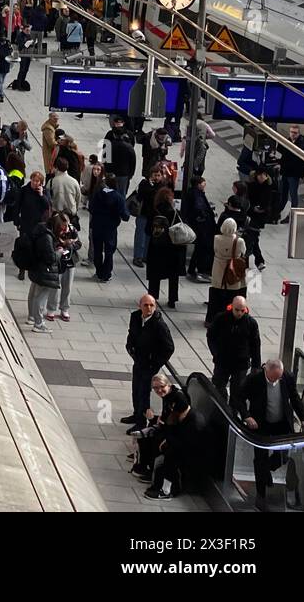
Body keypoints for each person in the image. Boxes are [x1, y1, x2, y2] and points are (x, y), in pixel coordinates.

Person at [241, 360, 304, 511]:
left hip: (281, 423)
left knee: (282, 455)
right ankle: (261, 495)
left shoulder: (287, 377)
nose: (276, 381)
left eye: (279, 378)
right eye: (273, 378)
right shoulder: (254, 379)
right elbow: (238, 398)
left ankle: (265, 470)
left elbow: (295, 398)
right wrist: (246, 416)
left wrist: (303, 418)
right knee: (260, 458)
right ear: (266, 371)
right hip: (261, 423)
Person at [124, 294, 175, 432]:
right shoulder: (135, 317)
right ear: (140, 306)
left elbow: (169, 347)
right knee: (136, 388)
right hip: (138, 360)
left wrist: (155, 363)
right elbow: (132, 334)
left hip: (149, 364)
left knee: (144, 392)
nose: (149, 308)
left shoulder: (159, 325)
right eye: (145, 305)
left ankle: (141, 422)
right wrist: (130, 347)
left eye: (151, 305)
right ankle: (136, 414)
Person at [207, 296, 261, 407]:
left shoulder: (251, 323)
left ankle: (233, 411)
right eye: (237, 310)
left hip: (241, 363)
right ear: (232, 307)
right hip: (223, 360)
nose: (240, 313)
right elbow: (211, 336)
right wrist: (215, 353)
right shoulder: (221, 319)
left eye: (242, 310)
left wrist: (256, 365)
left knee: (237, 390)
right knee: (219, 386)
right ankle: (221, 407)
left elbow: (255, 345)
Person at [146, 187, 184, 308]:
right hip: (172, 248)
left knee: (154, 274)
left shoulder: (154, 211)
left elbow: (147, 230)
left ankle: (153, 296)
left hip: (156, 247)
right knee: (173, 275)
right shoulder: (174, 213)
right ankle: (172, 299)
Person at [89, 173, 130, 282]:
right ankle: (106, 273)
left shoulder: (98, 194)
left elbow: (91, 208)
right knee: (109, 251)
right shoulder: (118, 197)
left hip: (97, 226)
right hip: (110, 228)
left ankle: (98, 271)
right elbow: (125, 215)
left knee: (97, 249)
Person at [208, 217, 249, 326]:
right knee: (232, 294)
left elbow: (215, 250)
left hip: (219, 268)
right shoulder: (239, 241)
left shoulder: (216, 238)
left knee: (216, 293)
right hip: (233, 269)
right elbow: (243, 252)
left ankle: (211, 318)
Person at [26, 217, 61, 332]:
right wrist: (59, 253)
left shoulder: (41, 231)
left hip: (37, 268)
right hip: (44, 271)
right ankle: (38, 324)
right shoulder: (47, 237)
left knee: (35, 294)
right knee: (41, 297)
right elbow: (50, 257)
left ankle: (32, 317)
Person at [45, 211, 79, 322]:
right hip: (58, 262)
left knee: (67, 287)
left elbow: (79, 243)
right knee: (55, 286)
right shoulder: (54, 230)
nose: (65, 227)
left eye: (67, 224)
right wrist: (61, 244)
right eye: (63, 225)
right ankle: (51, 309)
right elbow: (50, 244)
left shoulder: (73, 230)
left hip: (70, 261)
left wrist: (71, 244)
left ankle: (65, 309)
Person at [183, 175, 217, 282]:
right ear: (198, 184)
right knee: (202, 248)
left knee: (198, 248)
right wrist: (205, 215)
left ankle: (192, 269)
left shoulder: (193, 193)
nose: (204, 185)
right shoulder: (197, 195)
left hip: (197, 225)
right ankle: (200, 270)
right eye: (203, 183)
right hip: (202, 227)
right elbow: (199, 208)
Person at [132, 165, 166, 267]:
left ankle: (146, 255)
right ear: (150, 175)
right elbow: (141, 195)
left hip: (154, 215)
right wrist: (150, 185)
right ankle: (138, 256)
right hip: (143, 213)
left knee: (149, 235)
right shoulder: (144, 183)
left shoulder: (162, 186)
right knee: (140, 235)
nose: (157, 177)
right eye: (155, 175)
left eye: (159, 175)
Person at [101, 115, 137, 206]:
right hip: (124, 173)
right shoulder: (129, 147)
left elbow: (105, 156)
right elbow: (133, 161)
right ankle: (120, 208)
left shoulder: (110, 145)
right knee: (122, 192)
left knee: (109, 190)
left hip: (111, 171)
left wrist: (105, 170)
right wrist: (131, 173)